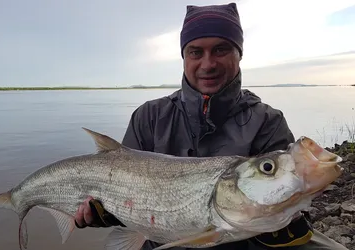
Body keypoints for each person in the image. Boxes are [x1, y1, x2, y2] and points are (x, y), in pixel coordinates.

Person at [74, 3, 348, 250]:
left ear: (239, 54)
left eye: (220, 49)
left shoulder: (267, 121)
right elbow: (120, 191)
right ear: (184, 57)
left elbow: (285, 209)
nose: (208, 64)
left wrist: (288, 219)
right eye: (196, 52)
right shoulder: (149, 116)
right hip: (159, 242)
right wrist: (106, 213)